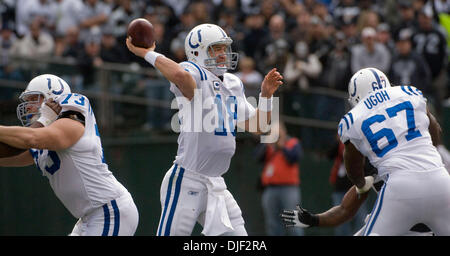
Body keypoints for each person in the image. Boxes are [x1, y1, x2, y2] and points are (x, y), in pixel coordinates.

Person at [126, 23, 283, 236]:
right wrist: (149, 54)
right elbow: (182, 77)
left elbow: (259, 126)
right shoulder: (194, 72)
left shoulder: (233, 83)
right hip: (187, 179)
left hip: (216, 183)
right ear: (198, 52)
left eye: (223, 48)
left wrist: (266, 95)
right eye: (215, 48)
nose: (222, 54)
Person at [314, 67, 450, 235]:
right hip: (440, 179)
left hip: (400, 186)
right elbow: (435, 130)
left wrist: (361, 184)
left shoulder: (352, 119)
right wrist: (427, 152)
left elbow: (353, 166)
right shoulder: (410, 92)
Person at [0, 74, 139, 236]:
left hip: (109, 211)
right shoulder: (43, 134)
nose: (28, 107)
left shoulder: (72, 104)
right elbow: (11, 153)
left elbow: (33, 138)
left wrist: (43, 120)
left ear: (51, 97)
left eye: (33, 98)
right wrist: (44, 121)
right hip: (89, 217)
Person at [255, 122, 303, 236]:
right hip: (270, 189)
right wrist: (268, 143)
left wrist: (282, 146)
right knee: (272, 224)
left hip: (289, 189)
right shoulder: (269, 145)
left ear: (283, 131)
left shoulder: (292, 142)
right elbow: (257, 157)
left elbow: (294, 158)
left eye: (277, 131)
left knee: (293, 222)